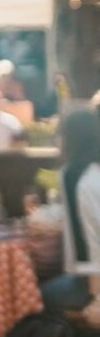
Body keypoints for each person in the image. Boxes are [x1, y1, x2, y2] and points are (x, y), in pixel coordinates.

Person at [36, 110, 100, 319]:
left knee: (37, 296)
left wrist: (97, 299)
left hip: (92, 282)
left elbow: (89, 239)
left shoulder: (74, 175)